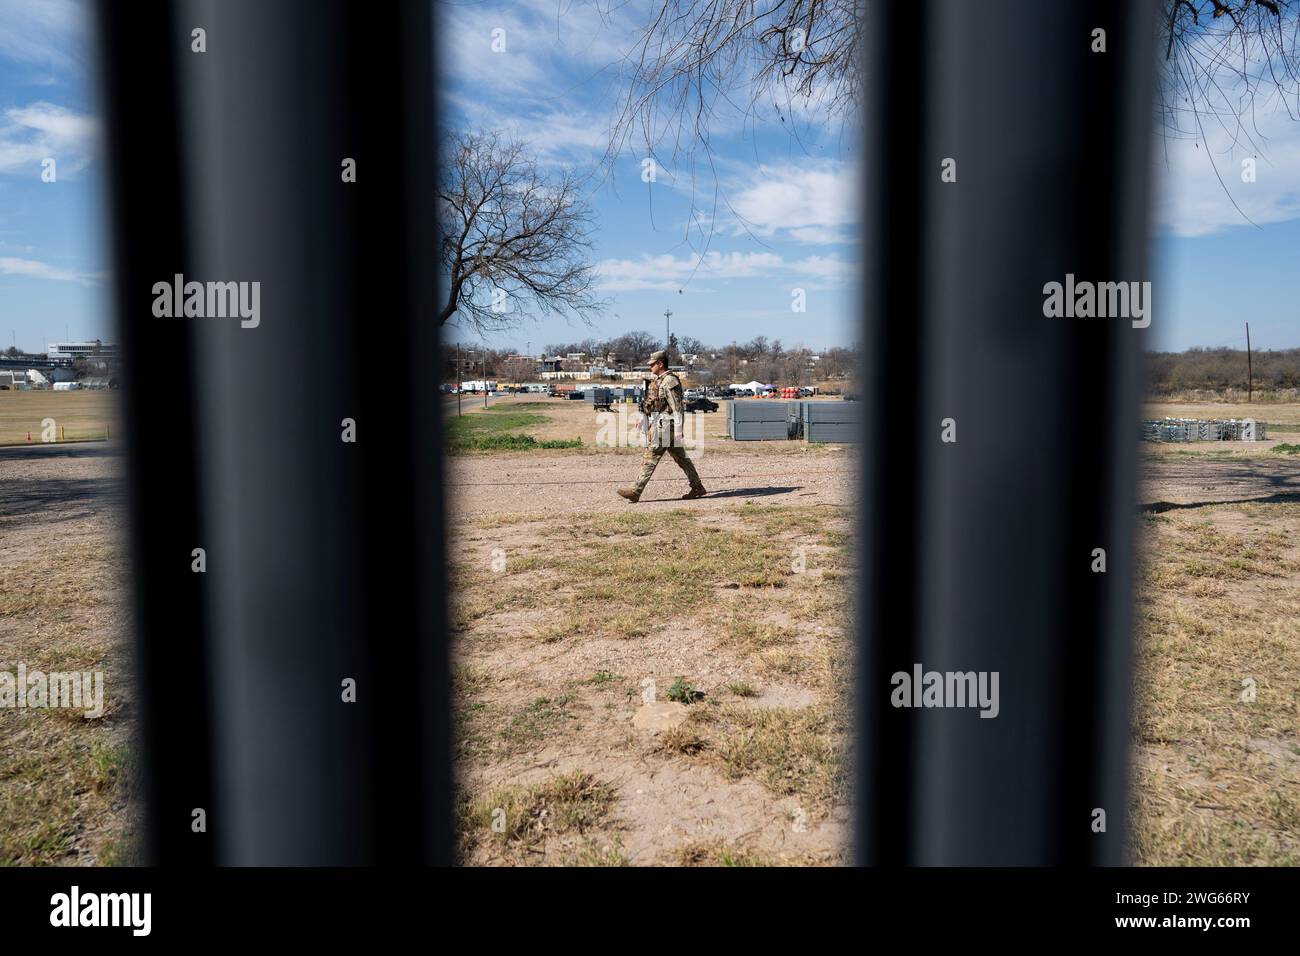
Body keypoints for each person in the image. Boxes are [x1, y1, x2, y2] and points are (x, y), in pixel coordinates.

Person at [618, 350, 707, 503]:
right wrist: (644, 417)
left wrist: (679, 429)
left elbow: (677, 407)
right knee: (682, 458)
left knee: (651, 455)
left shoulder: (669, 381)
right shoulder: (660, 380)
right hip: (663, 423)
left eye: (652, 364)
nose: (650, 367)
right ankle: (697, 486)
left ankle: (636, 490)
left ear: (660, 364)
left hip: (667, 425)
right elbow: (655, 403)